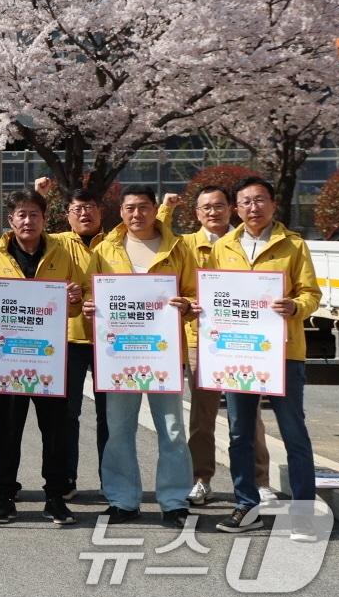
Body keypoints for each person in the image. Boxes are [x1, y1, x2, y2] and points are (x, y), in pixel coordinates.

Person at [208, 177, 321, 539]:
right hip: (237, 353)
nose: (253, 207)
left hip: (285, 353)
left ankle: (302, 512)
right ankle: (247, 504)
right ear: (236, 209)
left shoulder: (293, 245)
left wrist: (295, 306)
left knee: (293, 432)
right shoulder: (223, 246)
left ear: (274, 205)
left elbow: (311, 294)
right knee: (240, 433)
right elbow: (216, 293)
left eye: (260, 200)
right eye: (245, 202)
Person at [81, 185, 196, 528]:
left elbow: (193, 293)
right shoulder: (105, 250)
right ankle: (123, 499)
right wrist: (89, 305)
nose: (137, 214)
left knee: (172, 429)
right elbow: (92, 291)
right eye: (130, 208)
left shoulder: (178, 247)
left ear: (154, 209)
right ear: (121, 212)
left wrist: (187, 305)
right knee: (118, 429)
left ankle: (174, 500)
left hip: (164, 355)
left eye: (143, 207)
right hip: (119, 356)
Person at [0, 189, 83, 525]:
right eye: (21, 214)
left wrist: (76, 297)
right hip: (8, 359)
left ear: (44, 219)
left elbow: (76, 301)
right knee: (7, 429)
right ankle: (4, 496)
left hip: (49, 357)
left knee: (56, 430)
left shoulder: (64, 253)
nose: (28, 221)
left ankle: (55, 496)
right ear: (11, 220)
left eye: (34, 214)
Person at [158, 187, 274, 507]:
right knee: (202, 414)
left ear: (231, 209)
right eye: (206, 207)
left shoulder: (245, 244)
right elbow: (173, 280)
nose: (213, 212)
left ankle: (259, 480)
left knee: (249, 415)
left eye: (219, 206)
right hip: (200, 339)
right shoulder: (184, 246)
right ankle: (201, 478)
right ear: (196, 214)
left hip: (243, 341)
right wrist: (187, 304)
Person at [35, 177, 108, 500]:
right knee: (67, 413)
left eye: (90, 208)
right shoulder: (58, 243)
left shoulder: (114, 244)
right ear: (66, 214)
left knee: (111, 415)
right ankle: (66, 477)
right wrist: (39, 196)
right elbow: (24, 236)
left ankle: (112, 480)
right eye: (77, 209)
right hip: (70, 338)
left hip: (110, 341)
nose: (84, 214)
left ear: (101, 212)